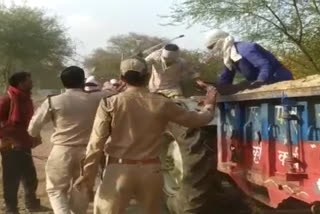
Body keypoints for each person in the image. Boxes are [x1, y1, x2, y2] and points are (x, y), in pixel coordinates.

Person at [73, 57, 217, 214]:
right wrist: (209, 105)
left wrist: (87, 176)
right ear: (148, 76)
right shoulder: (162, 103)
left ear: (122, 79)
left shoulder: (110, 103)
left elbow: (96, 144)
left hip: (117, 170)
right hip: (151, 171)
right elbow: (197, 120)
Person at [28, 66, 116, 214]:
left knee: (55, 190)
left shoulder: (53, 101)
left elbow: (33, 129)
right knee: (81, 189)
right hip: (88, 152)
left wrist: (36, 135)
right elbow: (115, 94)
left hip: (62, 150)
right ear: (83, 81)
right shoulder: (99, 98)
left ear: (63, 82)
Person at [0, 72, 46, 214]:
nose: (31, 82)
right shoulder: (7, 99)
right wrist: (6, 139)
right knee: (11, 179)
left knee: (30, 176)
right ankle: (11, 209)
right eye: (29, 80)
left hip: (24, 144)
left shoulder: (25, 99)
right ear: (20, 83)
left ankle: (31, 204)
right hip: (11, 146)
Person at [204, 29, 293, 90]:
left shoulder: (246, 49)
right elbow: (226, 77)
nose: (213, 50)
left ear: (221, 41)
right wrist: (214, 87)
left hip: (279, 80)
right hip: (261, 84)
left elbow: (265, 66)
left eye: (213, 46)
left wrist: (260, 81)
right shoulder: (229, 57)